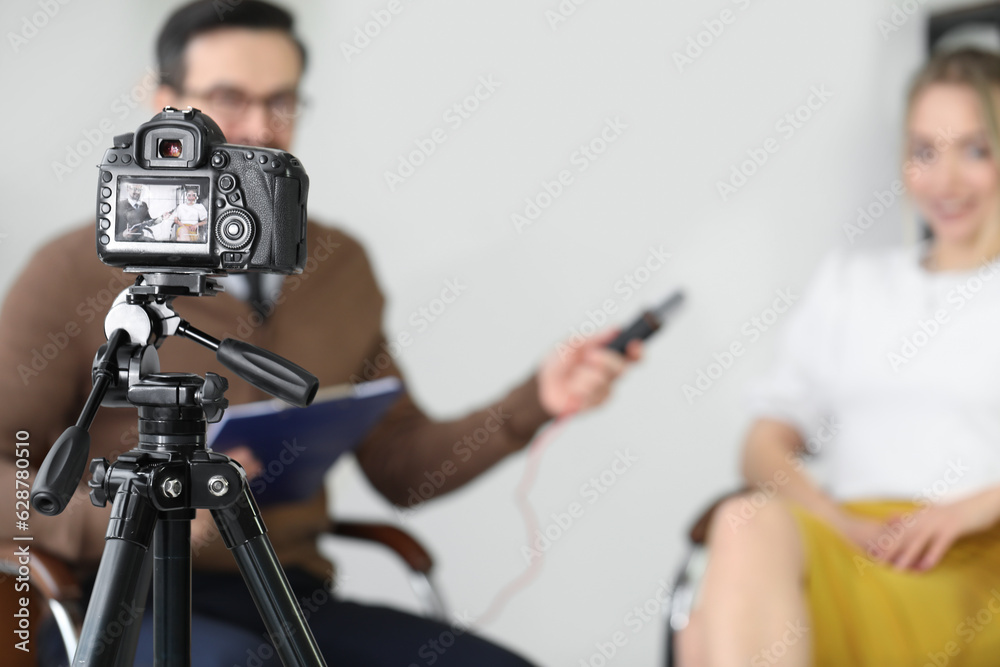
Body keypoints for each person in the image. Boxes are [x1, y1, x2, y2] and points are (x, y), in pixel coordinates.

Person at [0, 1, 641, 666]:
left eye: (281, 101)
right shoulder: (71, 271)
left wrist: (537, 399)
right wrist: (114, 518)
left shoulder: (341, 264)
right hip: (121, 595)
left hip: (288, 590)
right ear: (164, 104)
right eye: (228, 97)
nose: (258, 126)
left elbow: (401, 466)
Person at [677, 47, 1000, 667]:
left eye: (975, 151)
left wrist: (967, 511)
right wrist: (836, 521)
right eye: (924, 151)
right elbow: (761, 445)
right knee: (745, 525)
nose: (946, 182)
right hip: (851, 543)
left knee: (707, 633)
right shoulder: (853, 283)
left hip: (970, 559)